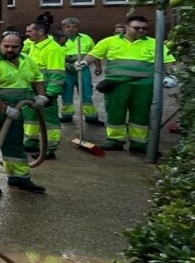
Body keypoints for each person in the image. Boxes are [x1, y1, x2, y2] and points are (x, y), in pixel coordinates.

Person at [78, 17, 176, 153]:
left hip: (143, 85)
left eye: (144, 28)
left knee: (141, 113)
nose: (141, 30)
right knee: (115, 112)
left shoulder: (155, 43)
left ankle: (139, 143)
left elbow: (168, 60)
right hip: (116, 85)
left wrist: (170, 75)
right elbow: (94, 54)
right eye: (137, 28)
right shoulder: (109, 41)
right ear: (127, 27)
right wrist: (83, 62)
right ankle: (115, 140)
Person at [0, 32, 49, 194]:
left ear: (21, 47)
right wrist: (4, 108)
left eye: (14, 46)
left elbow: (37, 78)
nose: (10, 50)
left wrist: (41, 95)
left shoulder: (27, 61)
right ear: (0, 44)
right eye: (6, 46)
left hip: (15, 110)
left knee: (15, 144)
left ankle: (19, 179)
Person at [21, 21, 66, 160]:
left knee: (49, 122)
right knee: (31, 119)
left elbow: (57, 74)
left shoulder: (53, 49)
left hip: (45, 93)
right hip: (32, 91)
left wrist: (50, 94)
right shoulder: (35, 45)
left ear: (40, 32)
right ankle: (31, 143)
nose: (26, 34)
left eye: (30, 31)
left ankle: (49, 149)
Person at [58, 18, 101, 125]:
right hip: (66, 70)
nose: (71, 29)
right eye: (68, 27)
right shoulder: (58, 40)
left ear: (78, 28)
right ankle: (67, 115)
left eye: (74, 27)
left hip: (83, 68)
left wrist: (98, 67)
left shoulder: (86, 38)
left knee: (86, 91)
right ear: (63, 27)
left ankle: (90, 117)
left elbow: (95, 53)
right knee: (66, 92)